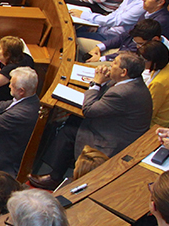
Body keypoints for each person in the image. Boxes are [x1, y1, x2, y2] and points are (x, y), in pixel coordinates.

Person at [29, 52, 152, 190]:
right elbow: (109, 91)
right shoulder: (134, 82)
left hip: (113, 140)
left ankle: (54, 177)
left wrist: (96, 83)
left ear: (124, 72)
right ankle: (59, 166)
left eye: (115, 63)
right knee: (72, 120)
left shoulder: (124, 92)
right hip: (114, 126)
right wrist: (106, 78)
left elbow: (89, 110)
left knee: (68, 131)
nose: (110, 65)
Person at [83, 10, 169, 71]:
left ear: (155, 39)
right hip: (121, 54)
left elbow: (133, 58)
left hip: (128, 64)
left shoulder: (163, 55)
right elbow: (122, 37)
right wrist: (98, 48)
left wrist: (101, 59)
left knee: (89, 67)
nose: (138, 46)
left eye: (140, 44)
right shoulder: (144, 32)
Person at [139, 40, 169, 127]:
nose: (141, 61)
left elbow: (149, 112)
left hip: (155, 124)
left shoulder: (159, 83)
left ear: (154, 62)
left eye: (144, 60)